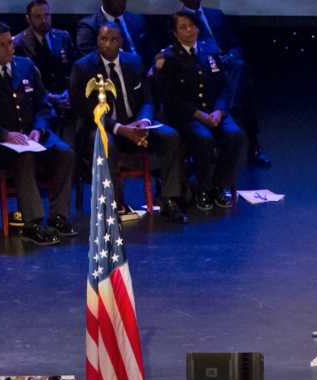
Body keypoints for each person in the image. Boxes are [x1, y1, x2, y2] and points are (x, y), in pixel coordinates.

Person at [0, 22, 76, 246]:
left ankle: (58, 216)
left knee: (66, 153)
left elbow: (44, 104)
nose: (8, 49)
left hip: (31, 135)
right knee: (24, 157)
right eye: (1, 45)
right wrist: (4, 134)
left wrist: (38, 128)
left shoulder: (26, 66)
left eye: (10, 44)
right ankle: (32, 223)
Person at [70, 23, 188, 223]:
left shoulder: (133, 62)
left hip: (135, 126)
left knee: (170, 137)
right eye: (103, 39)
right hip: (101, 127)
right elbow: (86, 111)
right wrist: (120, 128)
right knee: (106, 142)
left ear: (121, 42)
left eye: (113, 40)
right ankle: (114, 205)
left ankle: (169, 199)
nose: (107, 44)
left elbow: (148, 98)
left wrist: (143, 120)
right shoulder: (83, 67)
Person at [156, 11, 246, 212]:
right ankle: (202, 189)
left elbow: (224, 87)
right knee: (203, 138)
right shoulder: (169, 57)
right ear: (175, 33)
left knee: (235, 135)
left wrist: (220, 112)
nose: (189, 31)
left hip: (214, 111)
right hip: (188, 115)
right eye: (183, 27)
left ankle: (218, 185)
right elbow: (171, 98)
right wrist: (199, 115)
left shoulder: (210, 51)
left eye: (192, 26)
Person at [177, 0, 270, 167]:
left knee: (240, 68)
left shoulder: (216, 15)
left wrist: (230, 57)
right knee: (240, 83)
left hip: (227, 66)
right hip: (202, 70)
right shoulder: (178, 21)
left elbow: (235, 45)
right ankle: (228, 111)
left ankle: (251, 145)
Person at [13, 0, 77, 119]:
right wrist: (49, 97)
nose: (43, 20)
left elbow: (73, 69)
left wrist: (68, 92)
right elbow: (22, 81)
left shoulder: (63, 37)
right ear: (28, 19)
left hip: (65, 96)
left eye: (46, 15)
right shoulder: (19, 43)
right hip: (37, 101)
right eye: (38, 17)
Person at [76, 0, 150, 64]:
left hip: (143, 74)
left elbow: (148, 51)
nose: (121, 1)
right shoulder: (88, 26)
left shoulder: (137, 20)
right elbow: (90, 61)